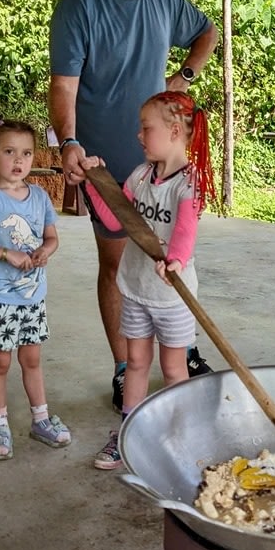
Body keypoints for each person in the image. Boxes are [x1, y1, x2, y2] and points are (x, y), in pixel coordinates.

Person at [49, 0, 219, 413]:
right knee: (118, 263)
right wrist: (71, 142)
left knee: (173, 257)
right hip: (108, 160)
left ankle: (179, 349)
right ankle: (127, 365)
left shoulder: (165, 0)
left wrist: (183, 78)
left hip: (164, 159)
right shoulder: (79, 5)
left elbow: (207, 33)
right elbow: (63, 87)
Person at [78, 91, 218, 470]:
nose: (139, 136)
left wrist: (175, 260)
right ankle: (128, 433)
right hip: (136, 290)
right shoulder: (140, 176)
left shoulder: (189, 184)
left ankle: (179, 436)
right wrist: (95, 180)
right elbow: (113, 220)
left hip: (173, 297)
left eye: (146, 128)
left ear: (174, 131)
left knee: (174, 369)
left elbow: (186, 232)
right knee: (136, 362)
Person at [0, 121, 71, 460]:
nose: (18, 160)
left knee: (32, 359)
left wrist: (43, 252)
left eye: (26, 153)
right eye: (9, 152)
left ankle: (40, 419)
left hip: (32, 296)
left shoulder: (38, 196)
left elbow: (52, 238)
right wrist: (7, 253)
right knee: (0, 363)